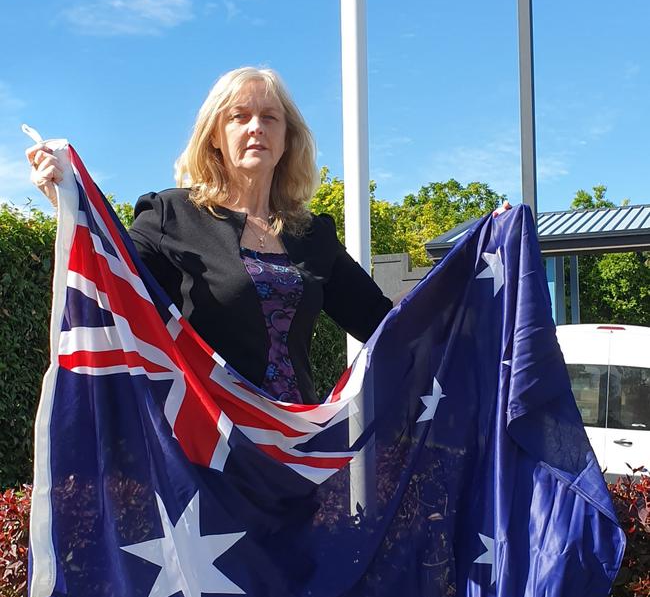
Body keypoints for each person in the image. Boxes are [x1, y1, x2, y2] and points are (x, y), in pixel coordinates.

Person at [27, 66, 394, 404]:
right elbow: (113, 280)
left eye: (270, 117)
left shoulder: (313, 235)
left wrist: (451, 286)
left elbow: (385, 324)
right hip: (208, 450)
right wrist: (69, 202)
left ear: (287, 139)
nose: (256, 127)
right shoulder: (171, 216)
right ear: (215, 136)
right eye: (239, 117)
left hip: (293, 452)